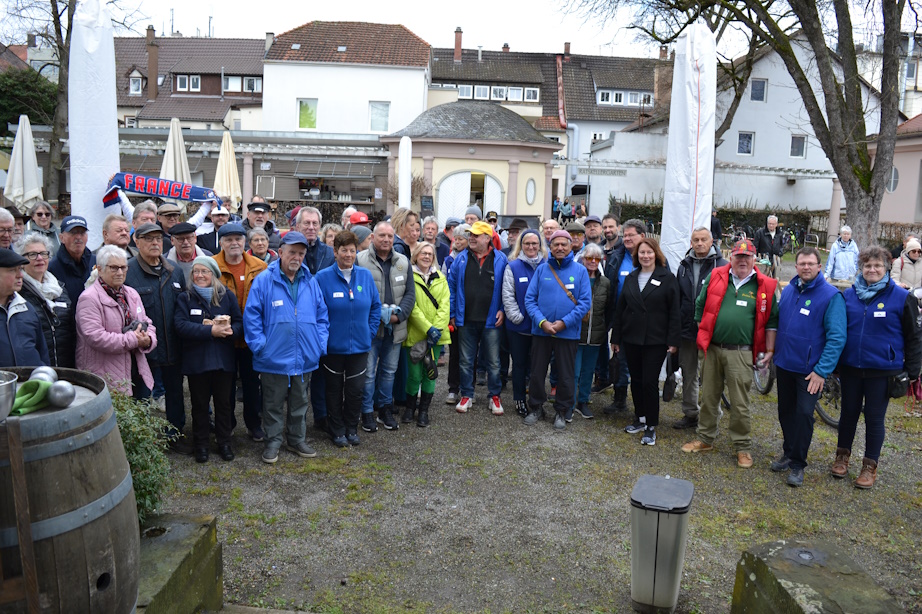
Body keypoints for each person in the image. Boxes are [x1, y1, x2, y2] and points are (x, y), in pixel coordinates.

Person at [682, 239, 779, 468]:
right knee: (708, 397)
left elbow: (772, 321)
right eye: (738, 256)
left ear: (754, 259)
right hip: (713, 349)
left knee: (740, 402)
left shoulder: (766, 285)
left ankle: (742, 447)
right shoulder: (716, 275)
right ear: (731, 257)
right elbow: (700, 305)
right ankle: (705, 438)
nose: (742, 261)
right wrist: (702, 331)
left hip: (741, 353)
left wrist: (770, 349)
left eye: (747, 257)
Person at [832, 246, 922, 489]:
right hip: (850, 367)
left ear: (886, 268)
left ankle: (869, 466)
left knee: (874, 418)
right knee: (848, 414)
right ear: (861, 269)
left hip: (882, 371)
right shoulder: (848, 296)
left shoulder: (902, 298)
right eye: (868, 266)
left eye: (877, 266)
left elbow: (914, 336)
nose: (872, 270)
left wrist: (912, 372)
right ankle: (842, 457)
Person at [245, 232, 329, 463]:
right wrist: (260, 346)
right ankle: (273, 441)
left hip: (304, 356)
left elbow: (322, 316)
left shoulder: (310, 281)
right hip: (273, 356)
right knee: (272, 402)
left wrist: (319, 344)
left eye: (301, 253)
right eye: (292, 252)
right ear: (280, 252)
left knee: (300, 401)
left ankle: (296, 439)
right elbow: (251, 316)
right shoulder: (264, 280)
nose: (297, 257)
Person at [771, 247, 846, 487]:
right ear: (796, 266)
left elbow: (836, 337)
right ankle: (788, 451)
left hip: (810, 372)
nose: (805, 267)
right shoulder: (791, 289)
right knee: (786, 411)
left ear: (819, 266)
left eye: (810, 264)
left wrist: (822, 370)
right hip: (785, 364)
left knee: (804, 415)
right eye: (801, 263)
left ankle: (798, 464)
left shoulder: (830, 296)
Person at [125, 223, 188, 451]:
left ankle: (175, 435)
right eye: (148, 239)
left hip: (173, 345)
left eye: (158, 238)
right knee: (142, 395)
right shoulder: (128, 272)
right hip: (143, 349)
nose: (154, 243)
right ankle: (141, 441)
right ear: (137, 242)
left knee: (175, 394)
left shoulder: (174, 270)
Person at [174, 256, 243, 463]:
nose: (200, 275)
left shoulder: (226, 296)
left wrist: (230, 331)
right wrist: (210, 331)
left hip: (223, 361)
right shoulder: (185, 298)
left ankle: (224, 442)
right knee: (200, 405)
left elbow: (239, 323)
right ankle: (201, 444)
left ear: (213, 274)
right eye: (196, 272)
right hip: (197, 362)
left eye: (205, 271)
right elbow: (180, 326)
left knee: (224, 405)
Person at [315, 231, 381, 447]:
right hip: (333, 348)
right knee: (333, 391)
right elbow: (315, 310)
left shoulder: (365, 276)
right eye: (344, 250)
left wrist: (369, 332)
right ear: (335, 252)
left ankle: (351, 427)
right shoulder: (322, 278)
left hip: (360, 347)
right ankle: (337, 430)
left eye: (352, 250)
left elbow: (375, 307)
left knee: (355, 391)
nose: (349, 255)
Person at [612, 238, 681, 445]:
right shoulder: (631, 277)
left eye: (649, 252)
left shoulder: (667, 278)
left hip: (655, 340)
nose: (645, 256)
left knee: (650, 381)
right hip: (631, 338)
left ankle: (651, 425)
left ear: (656, 254)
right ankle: (640, 418)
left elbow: (674, 312)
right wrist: (615, 338)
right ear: (636, 255)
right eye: (642, 252)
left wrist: (673, 340)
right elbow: (620, 310)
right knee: (637, 379)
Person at [523, 230, 591, 429]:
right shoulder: (542, 270)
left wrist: (564, 323)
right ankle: (536, 407)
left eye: (564, 244)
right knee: (536, 372)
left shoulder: (580, 271)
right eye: (556, 245)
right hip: (541, 332)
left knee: (566, 375)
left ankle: (562, 411)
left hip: (568, 333)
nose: (560, 248)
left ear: (571, 246)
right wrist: (542, 322)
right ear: (550, 247)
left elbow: (585, 303)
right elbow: (530, 299)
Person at [356, 222, 415, 432]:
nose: (386, 240)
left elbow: (410, 293)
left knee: (389, 372)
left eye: (390, 236)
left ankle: (384, 409)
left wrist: (399, 317)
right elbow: (356, 292)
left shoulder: (403, 261)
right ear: (373, 237)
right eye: (382, 236)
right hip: (370, 329)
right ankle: (366, 412)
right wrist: (376, 315)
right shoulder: (360, 260)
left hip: (395, 328)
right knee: (369, 374)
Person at [213, 223, 268, 441]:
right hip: (223, 337)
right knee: (224, 385)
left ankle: (254, 424)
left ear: (245, 242)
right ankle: (227, 425)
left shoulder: (260, 266)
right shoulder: (213, 265)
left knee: (252, 384)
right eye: (228, 239)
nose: (234, 243)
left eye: (238, 239)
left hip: (251, 336)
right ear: (221, 243)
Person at [75, 245, 155, 395]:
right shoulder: (89, 298)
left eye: (123, 268)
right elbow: (95, 337)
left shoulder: (131, 293)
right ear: (100, 269)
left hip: (136, 369)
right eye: (114, 268)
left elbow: (147, 322)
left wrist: (148, 339)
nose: (120, 272)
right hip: (105, 376)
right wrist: (134, 339)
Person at [448, 220, 508, 415]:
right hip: (466, 319)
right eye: (470, 235)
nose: (470, 238)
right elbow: (451, 287)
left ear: (488, 238)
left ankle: (494, 395)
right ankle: (467, 394)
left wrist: (502, 310)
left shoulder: (501, 259)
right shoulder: (460, 259)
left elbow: (507, 290)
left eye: (475, 235)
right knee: (465, 360)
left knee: (493, 362)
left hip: (491, 320)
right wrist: (453, 314)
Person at [672, 227, 727, 430]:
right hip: (687, 330)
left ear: (712, 241)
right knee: (689, 372)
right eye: (696, 240)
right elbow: (679, 298)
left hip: (711, 331)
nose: (700, 243)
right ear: (691, 243)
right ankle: (690, 413)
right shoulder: (683, 266)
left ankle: (712, 416)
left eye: (704, 239)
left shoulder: (722, 266)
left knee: (711, 377)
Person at [403, 241, 450, 427]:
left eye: (430, 254)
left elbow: (445, 306)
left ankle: (424, 410)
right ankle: (409, 408)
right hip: (415, 334)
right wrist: (427, 328)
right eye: (423, 253)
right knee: (414, 375)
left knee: (430, 373)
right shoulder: (409, 277)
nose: (427, 257)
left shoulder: (441, 278)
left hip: (436, 337)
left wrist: (436, 330)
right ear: (416, 255)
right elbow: (412, 307)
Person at [502, 229, 546, 416]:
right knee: (519, 365)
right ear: (521, 245)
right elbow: (508, 295)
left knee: (537, 367)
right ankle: (519, 399)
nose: (531, 247)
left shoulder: (547, 266)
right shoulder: (513, 266)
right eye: (527, 243)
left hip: (541, 327)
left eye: (534, 243)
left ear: (540, 245)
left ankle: (536, 401)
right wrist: (517, 318)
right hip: (519, 328)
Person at [604, 219, 646, 413]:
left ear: (642, 236)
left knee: (641, 363)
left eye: (631, 235)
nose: (627, 238)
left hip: (645, 320)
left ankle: (642, 404)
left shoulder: (650, 256)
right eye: (625, 235)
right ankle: (619, 399)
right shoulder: (617, 257)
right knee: (620, 359)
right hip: (621, 318)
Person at [14, 233, 75, 367]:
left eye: (43, 253)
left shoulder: (60, 289)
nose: (40, 258)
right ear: (22, 260)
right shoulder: (17, 293)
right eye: (32, 254)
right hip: (35, 369)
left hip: (66, 367)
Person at [571, 242, 612, 421]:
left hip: (596, 335)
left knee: (588, 371)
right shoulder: (576, 278)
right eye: (589, 258)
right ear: (583, 258)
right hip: (577, 333)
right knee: (574, 371)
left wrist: (605, 329)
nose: (593, 261)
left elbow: (609, 309)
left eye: (597, 258)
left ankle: (583, 401)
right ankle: (569, 403)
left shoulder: (605, 283)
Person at [0, 248, 49, 367]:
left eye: (20, 269)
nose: (20, 275)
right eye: (12, 270)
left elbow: (42, 351)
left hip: (30, 383)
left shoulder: (27, 308)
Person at [443, 223, 469, 404]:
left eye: (461, 239)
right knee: (454, 353)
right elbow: (445, 287)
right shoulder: (448, 261)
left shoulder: (474, 259)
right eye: (456, 239)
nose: (457, 242)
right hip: (454, 313)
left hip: (470, 313)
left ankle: (469, 387)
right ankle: (453, 388)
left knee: (470, 354)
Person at [48, 215, 96, 308]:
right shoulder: (52, 268)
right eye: (73, 233)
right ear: (61, 238)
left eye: (82, 233)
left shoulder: (96, 262)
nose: (78, 237)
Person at [754, 215, 784, 279]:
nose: (771, 226)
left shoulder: (779, 234)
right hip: (763, 260)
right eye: (769, 224)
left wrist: (780, 253)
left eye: (773, 224)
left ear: (776, 224)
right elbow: (755, 246)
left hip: (775, 260)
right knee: (762, 277)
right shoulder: (760, 233)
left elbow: (781, 245)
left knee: (773, 278)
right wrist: (755, 257)